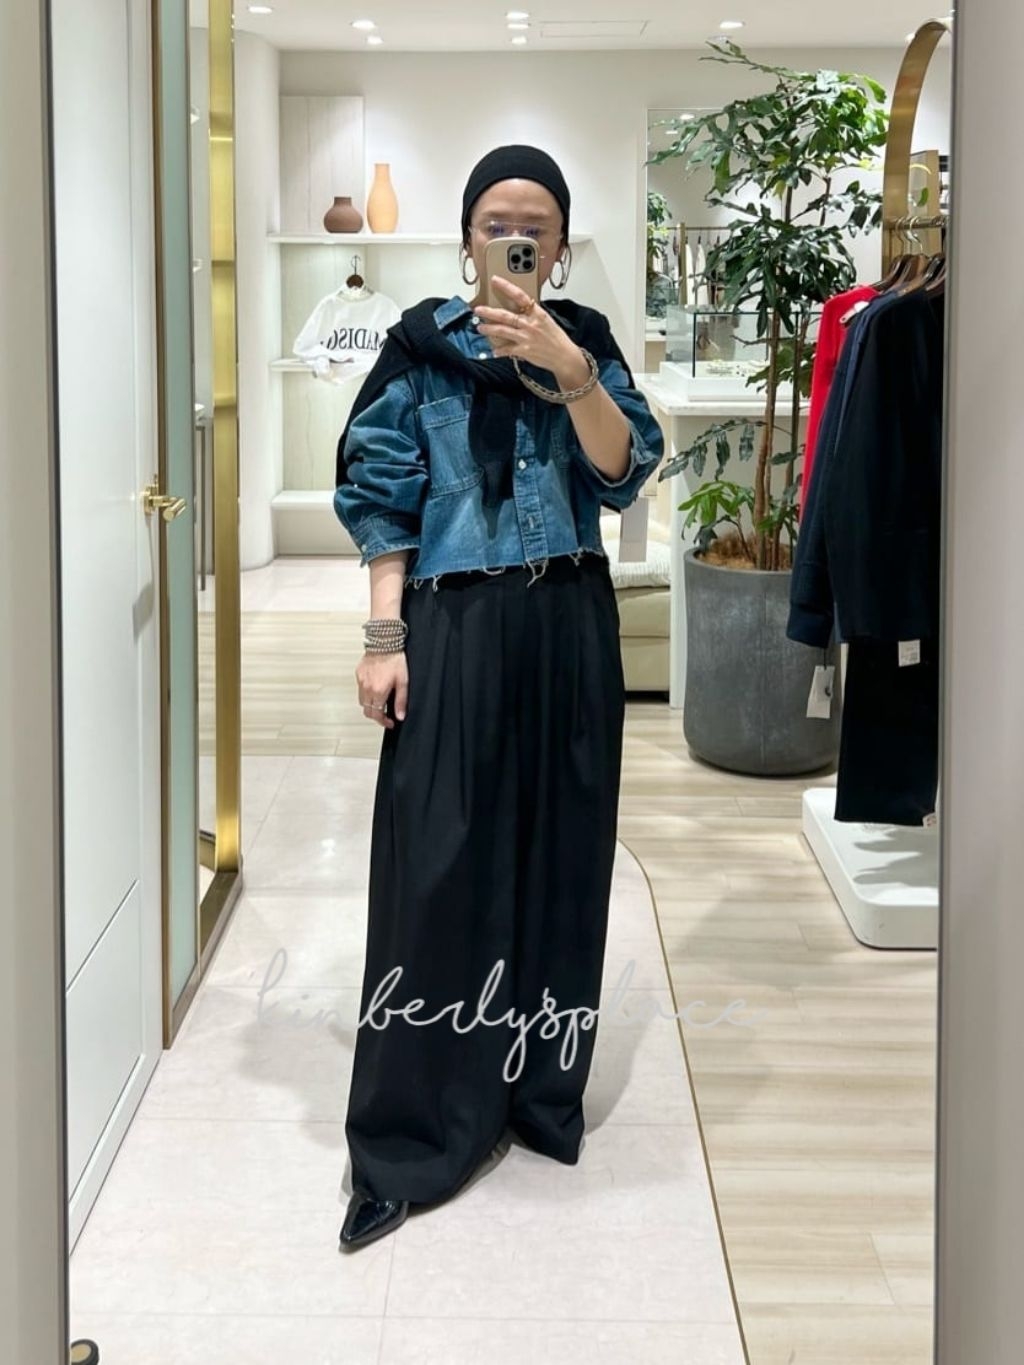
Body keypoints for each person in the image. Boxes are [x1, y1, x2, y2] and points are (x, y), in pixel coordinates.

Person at [333, 144, 664, 1250]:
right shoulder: (418, 349)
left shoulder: (588, 344)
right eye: (495, 223)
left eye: (536, 227)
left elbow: (623, 472)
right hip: (456, 626)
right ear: (466, 236)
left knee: (562, 856)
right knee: (434, 871)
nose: (514, 239)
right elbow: (382, 496)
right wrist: (384, 638)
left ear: (560, 247)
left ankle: (532, 1090)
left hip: (567, 620)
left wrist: (571, 371)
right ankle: (407, 1135)